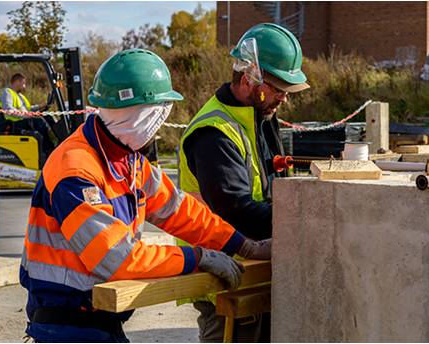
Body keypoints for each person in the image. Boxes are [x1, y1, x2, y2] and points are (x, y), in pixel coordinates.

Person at [19, 48, 270, 343]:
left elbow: (180, 211)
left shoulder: (129, 161)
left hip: (98, 319)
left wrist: (244, 245)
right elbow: (116, 258)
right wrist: (196, 257)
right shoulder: (75, 170)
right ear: (143, 114)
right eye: (161, 110)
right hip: (64, 326)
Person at [177, 23, 310, 342]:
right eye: (279, 89)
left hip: (257, 273)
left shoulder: (260, 116)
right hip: (225, 281)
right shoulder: (214, 133)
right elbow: (238, 211)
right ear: (251, 76)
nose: (283, 99)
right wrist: (307, 224)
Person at [0, 73, 53, 152]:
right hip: (14, 123)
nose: (24, 86)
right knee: (39, 122)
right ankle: (47, 149)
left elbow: (28, 109)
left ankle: (49, 145)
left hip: (22, 120)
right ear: (17, 82)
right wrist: (26, 115)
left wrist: (41, 106)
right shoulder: (7, 92)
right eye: (23, 83)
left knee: (47, 117)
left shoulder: (20, 96)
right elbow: (8, 109)